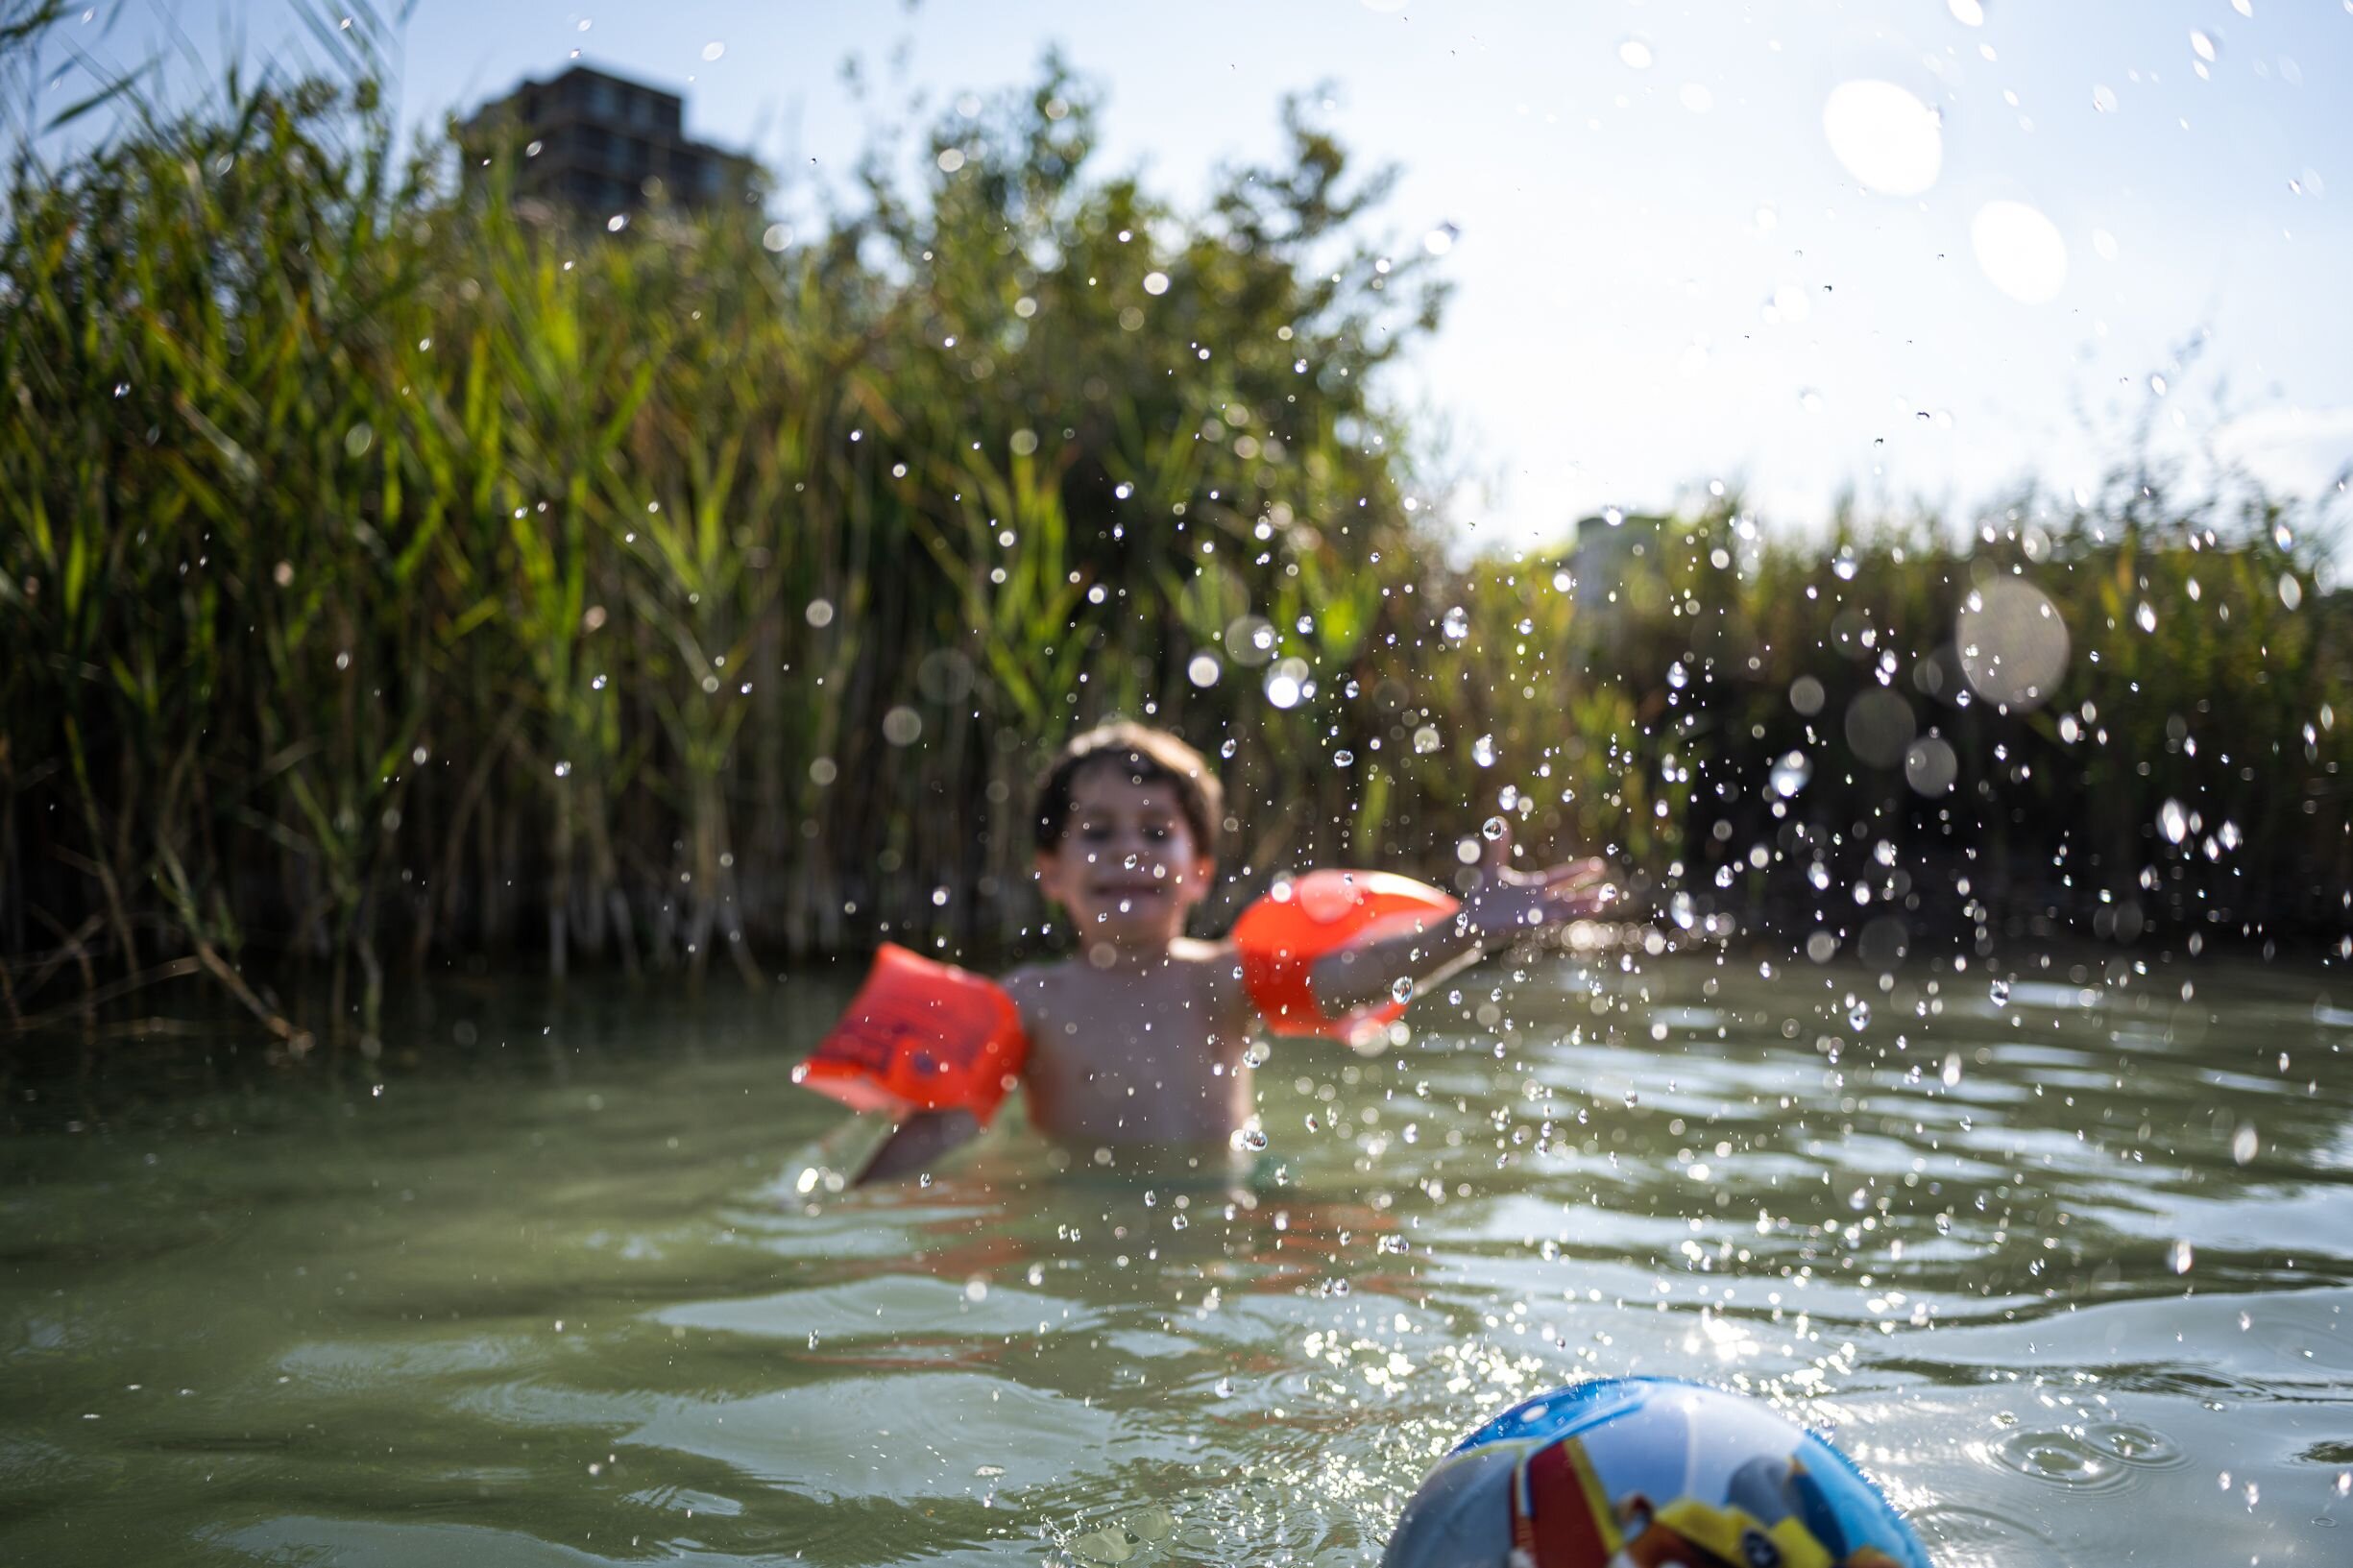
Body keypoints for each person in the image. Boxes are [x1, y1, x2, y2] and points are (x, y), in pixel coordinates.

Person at [853, 719, 1613, 1181]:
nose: (1130, 853)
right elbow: (947, 1119)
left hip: (1223, 1204)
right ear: (1050, 870)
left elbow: (1349, 980)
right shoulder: (1028, 999)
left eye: (1156, 833)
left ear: (1199, 872)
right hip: (1075, 1205)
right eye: (1098, 832)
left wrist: (1466, 931)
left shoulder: (1222, 980)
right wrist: (853, 1204)